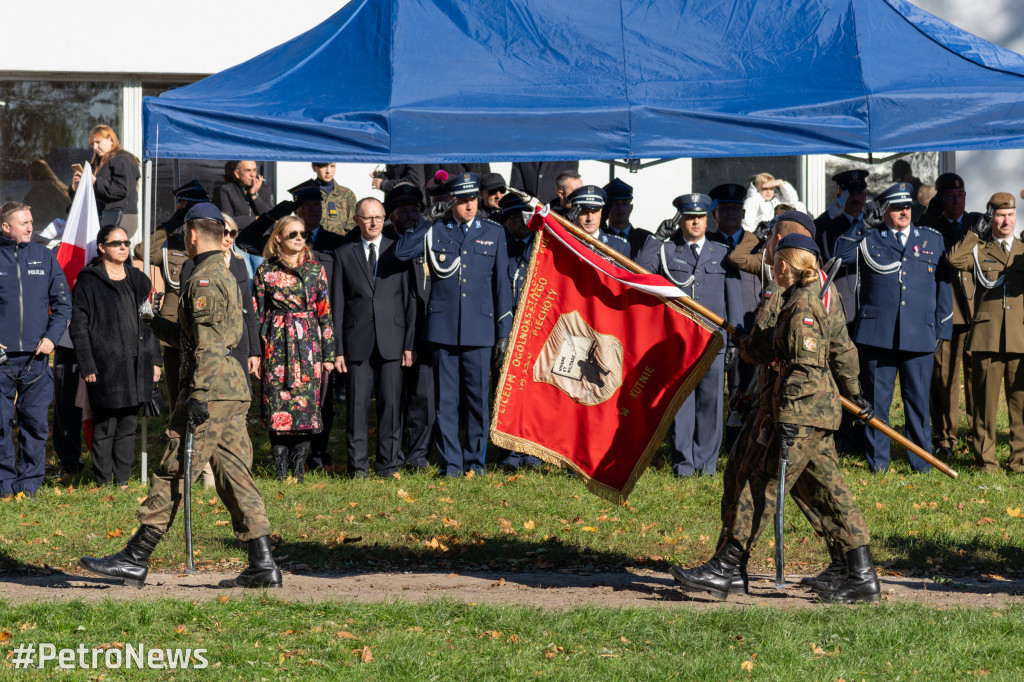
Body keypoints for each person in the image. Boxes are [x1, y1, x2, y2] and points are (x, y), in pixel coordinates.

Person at [80, 202, 281, 590]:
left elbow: (207, 346)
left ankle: (136, 557)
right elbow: (195, 340)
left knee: (175, 468)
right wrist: (154, 322)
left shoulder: (203, 280)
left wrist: (198, 395)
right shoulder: (219, 273)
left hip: (210, 391)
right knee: (235, 475)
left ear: (191, 234)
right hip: (228, 389)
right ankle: (263, 562)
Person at [671, 233, 879, 604]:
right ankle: (859, 574)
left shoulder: (802, 308)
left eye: (774, 262)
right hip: (813, 416)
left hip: (801, 416)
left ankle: (726, 568)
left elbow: (804, 368)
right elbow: (775, 346)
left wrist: (789, 416)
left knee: (760, 486)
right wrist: (749, 344)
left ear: (783, 266)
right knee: (829, 492)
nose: (771, 267)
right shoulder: (796, 301)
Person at [394, 172, 514, 477]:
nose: (470, 206)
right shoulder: (436, 229)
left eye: (472, 199)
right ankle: (451, 464)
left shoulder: (493, 232)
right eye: (462, 201)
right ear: (451, 202)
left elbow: (501, 287)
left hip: (480, 330)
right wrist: (423, 220)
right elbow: (402, 252)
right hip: (444, 329)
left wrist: (503, 332)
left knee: (477, 402)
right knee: (445, 402)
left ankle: (475, 462)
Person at [834, 183, 952, 473]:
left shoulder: (932, 240)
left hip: (920, 334)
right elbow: (839, 254)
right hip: (878, 335)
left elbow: (944, 286)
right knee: (876, 404)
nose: (904, 212)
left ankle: (921, 463)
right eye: (897, 207)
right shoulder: (871, 238)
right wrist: (862, 223)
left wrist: (943, 329)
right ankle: (878, 463)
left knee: (917, 403)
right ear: (884, 210)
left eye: (908, 206)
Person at [635, 193, 741, 476]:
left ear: (708, 220)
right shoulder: (667, 251)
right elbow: (640, 274)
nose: (696, 222)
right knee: (681, 403)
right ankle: (684, 465)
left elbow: (734, 301)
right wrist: (655, 239)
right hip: (678, 341)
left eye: (701, 217)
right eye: (690, 217)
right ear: (680, 220)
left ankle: (706, 466)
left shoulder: (721, 252)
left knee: (710, 403)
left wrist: (734, 340)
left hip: (713, 340)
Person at [69, 225, 161, 486]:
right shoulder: (88, 280)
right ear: (102, 248)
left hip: (137, 362)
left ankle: (122, 481)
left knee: (129, 425)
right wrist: (87, 364)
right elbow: (79, 327)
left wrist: (155, 360)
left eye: (126, 243)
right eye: (116, 243)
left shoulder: (139, 279)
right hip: (104, 365)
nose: (123, 247)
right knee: (105, 424)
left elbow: (149, 320)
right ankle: (102, 481)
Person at [331, 198, 415, 477]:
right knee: (356, 406)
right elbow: (338, 305)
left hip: (392, 338)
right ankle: (357, 467)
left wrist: (408, 344)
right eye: (368, 218)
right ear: (357, 220)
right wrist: (338, 349)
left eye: (379, 217)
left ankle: (388, 464)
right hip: (357, 341)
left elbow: (408, 300)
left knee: (391, 405)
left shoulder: (398, 251)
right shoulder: (343, 254)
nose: (374, 222)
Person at [178, 213, 261, 488]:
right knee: (203, 425)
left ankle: (231, 483)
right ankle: (208, 477)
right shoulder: (196, 267)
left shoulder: (238, 264)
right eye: (223, 232)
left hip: (232, 357)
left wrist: (254, 351)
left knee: (231, 428)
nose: (227, 237)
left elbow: (247, 311)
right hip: (207, 356)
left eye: (232, 233)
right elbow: (196, 326)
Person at [946, 192, 1024, 473]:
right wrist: (973, 234)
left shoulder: (1023, 248)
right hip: (987, 336)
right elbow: (954, 260)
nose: (1006, 221)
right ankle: (986, 461)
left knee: (1021, 406)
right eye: (1000, 215)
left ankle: (1019, 461)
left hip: (1019, 337)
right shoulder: (980, 249)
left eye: (1011, 215)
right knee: (984, 406)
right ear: (991, 217)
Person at [254, 215, 335, 481]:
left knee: (306, 408)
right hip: (276, 344)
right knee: (277, 404)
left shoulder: (316, 270)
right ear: (278, 238)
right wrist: (256, 353)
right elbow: (257, 315)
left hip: (308, 345)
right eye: (293, 234)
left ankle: (298, 469)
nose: (300, 238)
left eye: (303, 234)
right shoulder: (265, 270)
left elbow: (325, 313)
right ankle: (280, 469)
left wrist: (329, 355)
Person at [0, 202, 72, 498]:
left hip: (37, 357)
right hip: (2, 360)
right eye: (23, 222)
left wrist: (52, 338)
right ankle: (4, 486)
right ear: (5, 227)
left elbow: (64, 305)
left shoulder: (44, 256)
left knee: (34, 423)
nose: (30, 227)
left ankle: (28, 486)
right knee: (1, 425)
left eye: (31, 221)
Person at [917, 173, 980, 460]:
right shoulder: (931, 226)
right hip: (946, 310)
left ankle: (978, 435)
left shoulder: (975, 223)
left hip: (977, 310)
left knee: (976, 377)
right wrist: (929, 214)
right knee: (943, 379)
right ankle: (944, 438)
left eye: (962, 194)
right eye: (951, 195)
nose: (958, 199)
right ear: (941, 198)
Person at [140, 180, 212, 411]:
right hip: (174, 325)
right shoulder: (171, 243)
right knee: (175, 390)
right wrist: (170, 223)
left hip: (205, 323)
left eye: (192, 208)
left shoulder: (213, 242)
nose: (188, 214)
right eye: (184, 208)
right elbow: (142, 251)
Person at [383, 183, 434, 471]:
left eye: (415, 210)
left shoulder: (430, 232)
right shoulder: (388, 240)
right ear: (391, 215)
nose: (411, 216)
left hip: (423, 325)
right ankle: (393, 454)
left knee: (423, 395)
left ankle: (418, 455)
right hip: (391, 327)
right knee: (394, 398)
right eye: (403, 211)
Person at [493, 193, 544, 471]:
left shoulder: (542, 244)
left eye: (525, 216)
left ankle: (532, 452)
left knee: (534, 393)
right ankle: (509, 453)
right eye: (514, 217)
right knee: (506, 393)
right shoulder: (499, 244)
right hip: (508, 328)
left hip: (536, 328)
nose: (521, 222)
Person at [70, 125, 141, 237]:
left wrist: (95, 181)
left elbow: (121, 189)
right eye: (93, 144)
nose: (95, 147)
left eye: (98, 142)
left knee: (113, 249)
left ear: (111, 140)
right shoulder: (98, 163)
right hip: (104, 216)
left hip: (121, 215)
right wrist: (75, 187)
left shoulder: (123, 158)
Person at [565, 184, 630, 259]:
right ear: (574, 212)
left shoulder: (620, 247)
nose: (590, 218)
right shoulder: (564, 243)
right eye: (585, 212)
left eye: (594, 212)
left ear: (601, 213)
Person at [213, 161, 274, 230]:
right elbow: (229, 221)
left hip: (263, 238)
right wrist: (256, 219)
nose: (253, 175)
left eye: (254, 170)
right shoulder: (227, 190)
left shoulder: (265, 190)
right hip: (239, 237)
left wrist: (254, 195)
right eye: (248, 171)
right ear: (237, 174)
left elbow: (271, 218)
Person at [601, 178, 651, 260]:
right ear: (607, 208)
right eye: (615, 204)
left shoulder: (645, 238)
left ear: (631, 208)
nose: (620, 208)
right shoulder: (600, 236)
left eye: (624, 204)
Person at [310, 162, 357, 236]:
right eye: (324, 166)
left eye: (332, 166)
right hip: (313, 245)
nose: (328, 171)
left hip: (340, 245)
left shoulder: (346, 194)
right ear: (314, 167)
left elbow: (352, 227)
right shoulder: (306, 192)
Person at [23, 159, 71, 231]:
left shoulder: (36, 194)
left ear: (36, 176)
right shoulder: (60, 190)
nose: (29, 179)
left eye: (28, 175)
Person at [510, 161, 579, 206]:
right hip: (528, 215)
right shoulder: (523, 151)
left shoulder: (568, 153)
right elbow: (516, 189)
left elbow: (570, 189)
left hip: (557, 215)